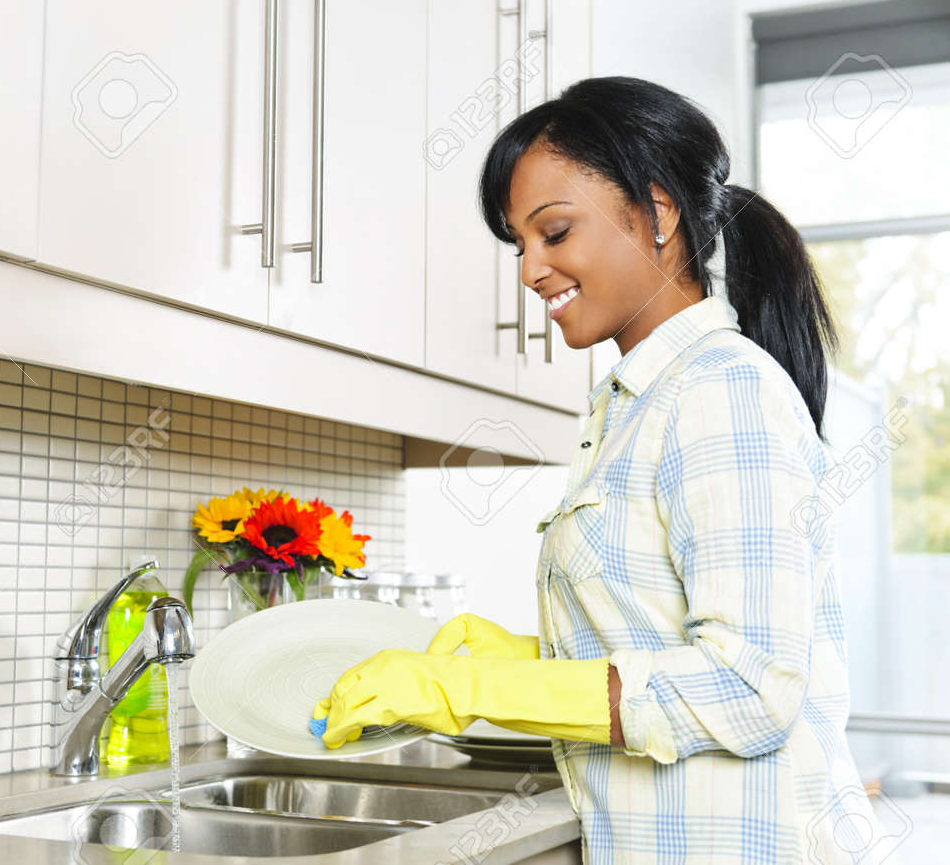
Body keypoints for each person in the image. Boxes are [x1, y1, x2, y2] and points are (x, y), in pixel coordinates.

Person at [314, 76, 882, 863]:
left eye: (553, 231)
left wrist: (476, 691)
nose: (530, 269)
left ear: (658, 213)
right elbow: (656, 638)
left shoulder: (722, 390)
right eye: (520, 243)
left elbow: (752, 688)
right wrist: (517, 657)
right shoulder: (635, 405)